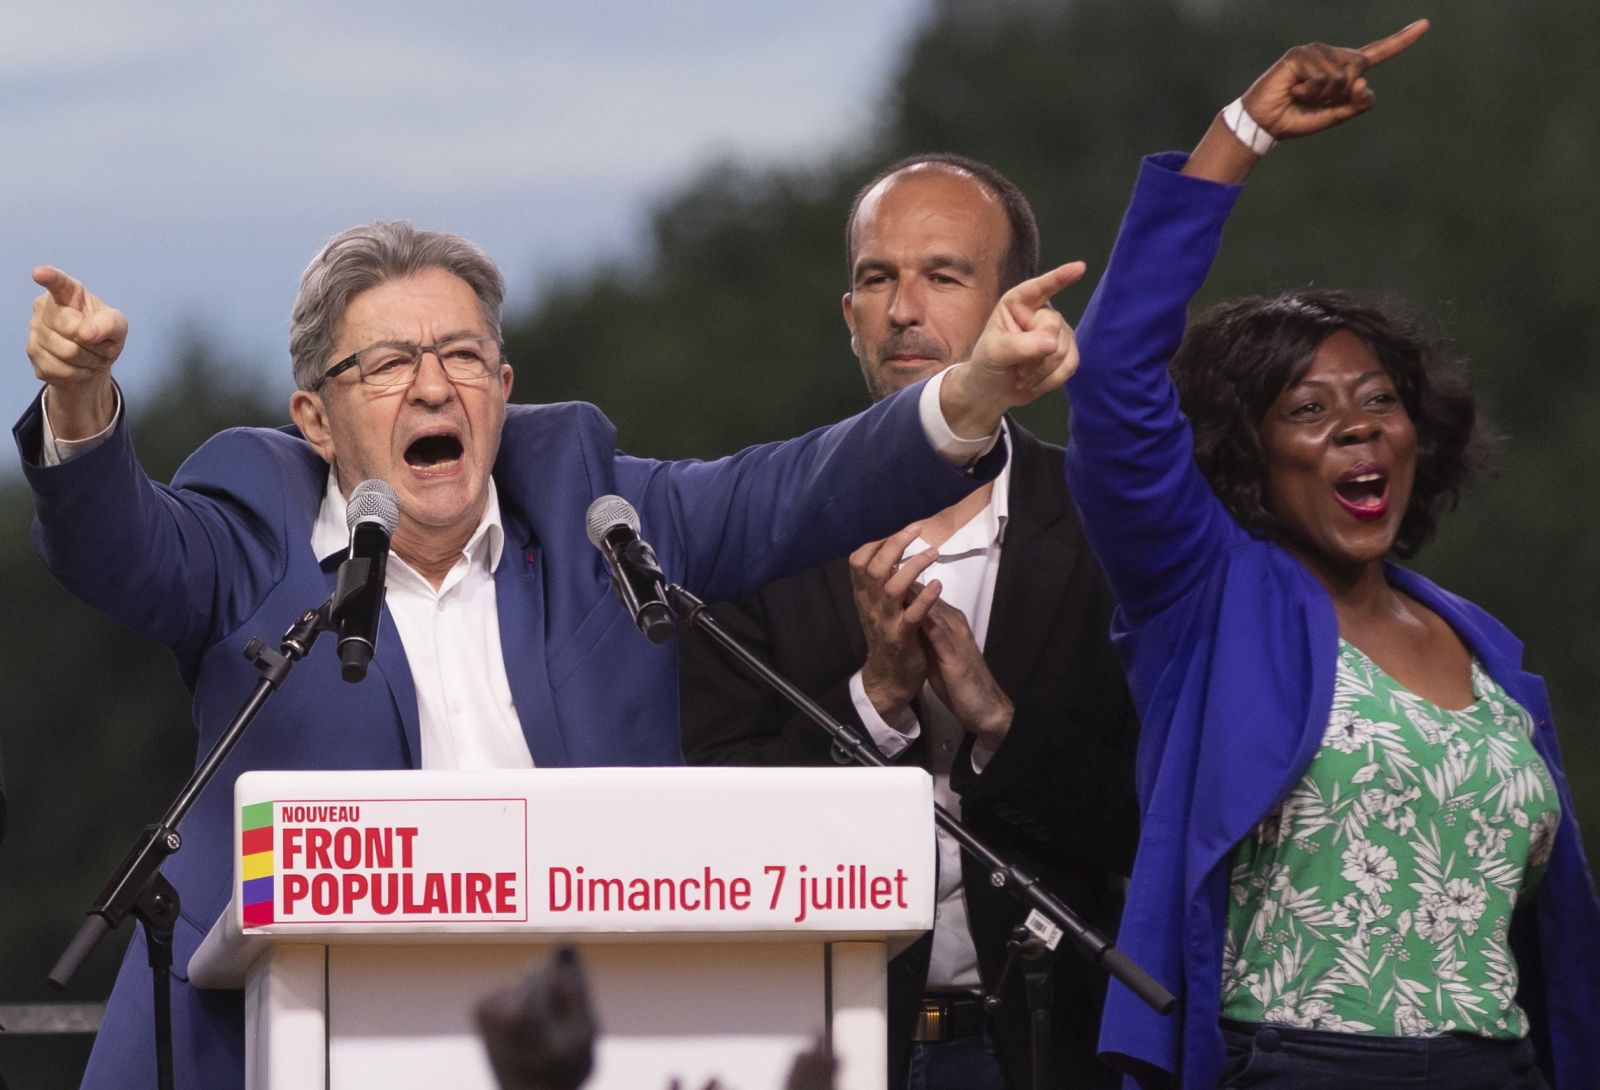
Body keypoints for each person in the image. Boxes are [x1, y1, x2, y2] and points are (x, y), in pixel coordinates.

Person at [15, 220, 1084, 1090]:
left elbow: (798, 487)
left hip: (586, 1038)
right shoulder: (251, 531)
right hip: (273, 1040)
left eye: (464, 356)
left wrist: (974, 388)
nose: (434, 387)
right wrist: (80, 402)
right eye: (388, 363)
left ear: (503, 384)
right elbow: (120, 549)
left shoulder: (595, 513)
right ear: (317, 421)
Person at [1064, 20, 1600, 1089]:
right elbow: (1114, 382)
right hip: (1296, 1066)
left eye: (1378, 403)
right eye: (1308, 410)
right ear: (1245, 455)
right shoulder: (1209, 595)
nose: (1357, 428)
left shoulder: (1479, 641)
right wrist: (1240, 132)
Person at [679, 155, 1138, 1089]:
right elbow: (705, 825)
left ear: (1012, 306)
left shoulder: (1106, 528)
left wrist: (1000, 728)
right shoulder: (754, 528)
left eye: (942, 275)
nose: (902, 309)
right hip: (817, 1046)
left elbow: (1153, 813)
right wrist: (877, 702)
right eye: (876, 279)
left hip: (1052, 1048)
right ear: (848, 318)